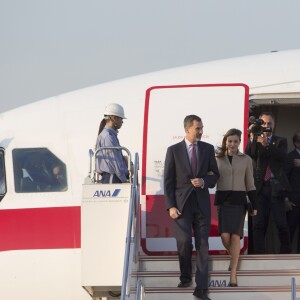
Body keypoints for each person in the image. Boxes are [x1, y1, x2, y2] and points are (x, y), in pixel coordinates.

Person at [164, 115, 219, 300]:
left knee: (203, 244)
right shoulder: (173, 151)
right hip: (181, 205)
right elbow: (168, 182)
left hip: (202, 203)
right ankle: (186, 276)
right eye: (198, 128)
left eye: (202, 128)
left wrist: (204, 180)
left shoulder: (208, 149)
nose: (201, 131)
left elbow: (215, 175)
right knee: (184, 241)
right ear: (187, 129)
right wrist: (170, 206)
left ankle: (201, 288)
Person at [214, 128, 257, 287]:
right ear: (226, 141)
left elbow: (250, 184)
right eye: (230, 141)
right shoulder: (217, 159)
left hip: (239, 202)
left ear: (240, 142)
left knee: (235, 237)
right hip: (223, 201)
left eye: (236, 141)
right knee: (225, 236)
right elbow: (211, 178)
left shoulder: (246, 159)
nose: (232, 144)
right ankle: (233, 255)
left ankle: (233, 275)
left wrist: (254, 205)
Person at [245, 112, 291, 254]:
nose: (266, 126)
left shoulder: (280, 140)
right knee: (258, 224)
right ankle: (259, 254)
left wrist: (267, 144)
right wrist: (254, 138)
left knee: (281, 224)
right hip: (259, 188)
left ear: (274, 125)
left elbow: (282, 156)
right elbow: (249, 154)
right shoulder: (255, 140)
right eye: (264, 123)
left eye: (269, 123)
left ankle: (286, 253)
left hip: (275, 188)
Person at [95, 103, 129, 183]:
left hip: (112, 177)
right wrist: (124, 178)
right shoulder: (108, 136)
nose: (122, 122)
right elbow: (115, 162)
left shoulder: (109, 135)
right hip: (112, 178)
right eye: (121, 119)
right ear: (114, 118)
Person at [285, 130, 300, 253]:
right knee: (289, 231)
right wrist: (286, 200)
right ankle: (286, 261)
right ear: (296, 143)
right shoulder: (290, 157)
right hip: (294, 203)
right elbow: (284, 180)